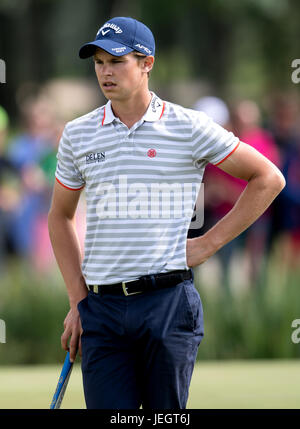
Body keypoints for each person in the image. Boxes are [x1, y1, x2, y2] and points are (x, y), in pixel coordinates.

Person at [48, 16, 286, 409]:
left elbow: (268, 178)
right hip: (102, 310)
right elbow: (60, 216)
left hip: (167, 304)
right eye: (99, 62)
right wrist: (77, 301)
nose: (105, 72)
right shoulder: (78, 133)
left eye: (117, 61)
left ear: (147, 63)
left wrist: (208, 243)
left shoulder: (189, 126)